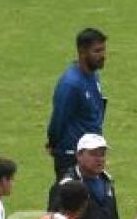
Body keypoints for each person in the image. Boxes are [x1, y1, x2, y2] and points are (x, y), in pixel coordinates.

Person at [46, 28, 108, 179]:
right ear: (82, 52)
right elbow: (58, 120)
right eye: (97, 51)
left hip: (91, 154)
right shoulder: (71, 84)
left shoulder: (94, 76)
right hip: (72, 157)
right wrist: (54, 144)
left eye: (103, 50)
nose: (103, 56)